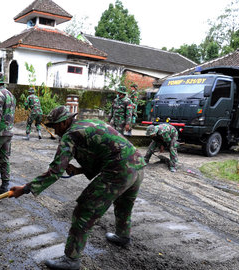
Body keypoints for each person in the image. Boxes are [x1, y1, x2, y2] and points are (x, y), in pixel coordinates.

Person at [10, 106, 146, 270]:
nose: (55, 130)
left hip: (119, 171)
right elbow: (105, 153)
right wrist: (80, 170)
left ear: (66, 121)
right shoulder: (88, 124)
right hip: (137, 166)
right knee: (124, 204)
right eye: (52, 127)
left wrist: (25, 188)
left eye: (56, 126)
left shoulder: (70, 135)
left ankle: (71, 259)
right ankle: (123, 236)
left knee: (84, 211)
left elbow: (55, 172)